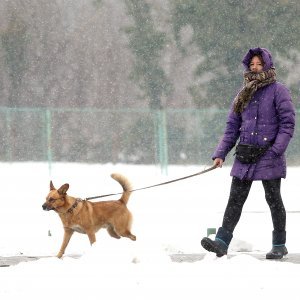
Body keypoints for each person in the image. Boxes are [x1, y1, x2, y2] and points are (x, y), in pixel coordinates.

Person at [201, 47, 295, 259]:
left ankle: (279, 244)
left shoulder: (279, 91)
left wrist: (275, 150)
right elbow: (232, 128)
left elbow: (288, 124)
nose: (254, 68)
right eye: (251, 64)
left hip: (269, 156)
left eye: (259, 64)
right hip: (245, 157)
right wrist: (220, 153)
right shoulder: (243, 93)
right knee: (235, 199)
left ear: (267, 65)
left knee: (274, 200)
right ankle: (221, 243)